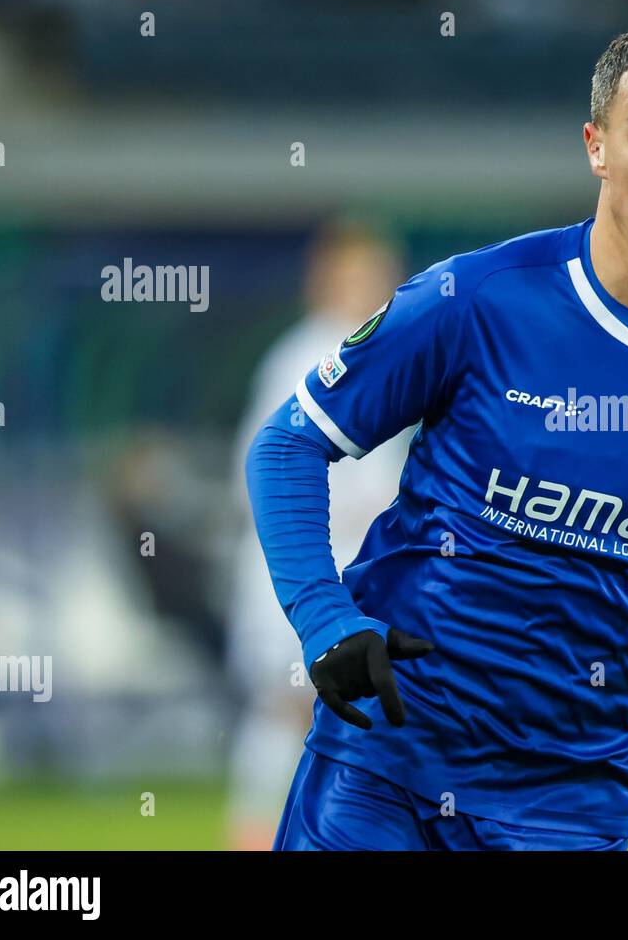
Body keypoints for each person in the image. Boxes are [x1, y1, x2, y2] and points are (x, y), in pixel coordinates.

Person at [246, 16, 628, 850]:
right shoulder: (476, 301)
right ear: (597, 147)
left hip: (569, 804)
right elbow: (288, 445)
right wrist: (325, 621)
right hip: (389, 764)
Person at [225, 221, 411, 849]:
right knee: (296, 712)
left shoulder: (362, 349)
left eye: (380, 272)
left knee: (309, 720)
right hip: (299, 575)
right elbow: (264, 468)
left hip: (331, 575)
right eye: (360, 273)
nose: (373, 286)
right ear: (325, 278)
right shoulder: (311, 355)